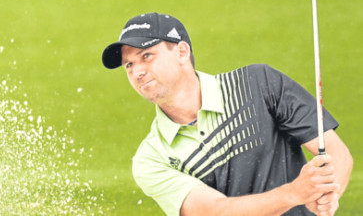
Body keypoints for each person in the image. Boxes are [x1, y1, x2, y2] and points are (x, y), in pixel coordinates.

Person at [101, 12, 352, 216]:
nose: (137, 71)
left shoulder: (259, 83)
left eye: (146, 56)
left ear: (181, 52)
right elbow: (217, 212)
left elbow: (336, 152)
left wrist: (327, 196)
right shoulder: (151, 158)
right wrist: (296, 193)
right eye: (129, 65)